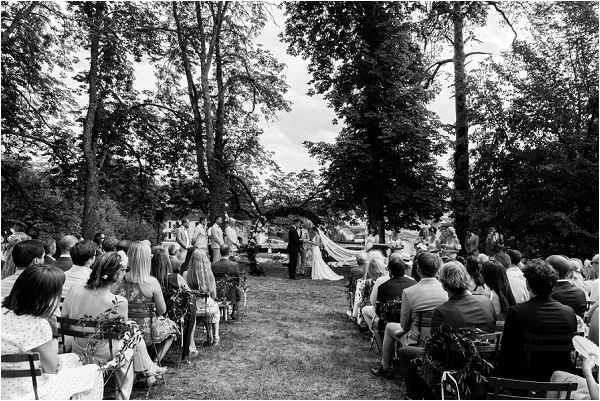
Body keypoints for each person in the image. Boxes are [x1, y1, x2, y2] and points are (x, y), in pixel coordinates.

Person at [63, 253, 166, 398]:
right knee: (132, 338)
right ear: (117, 275)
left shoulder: (74, 290)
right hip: (105, 353)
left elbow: (64, 318)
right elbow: (120, 335)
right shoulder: (118, 302)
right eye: (125, 270)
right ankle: (140, 378)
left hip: (78, 347)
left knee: (132, 330)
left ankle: (150, 367)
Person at [2, 264, 103, 400]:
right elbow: (52, 369)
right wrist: (54, 337)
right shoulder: (37, 325)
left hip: (6, 385)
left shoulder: (3, 308)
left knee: (74, 359)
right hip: (31, 392)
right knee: (94, 372)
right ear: (47, 296)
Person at [395, 261, 496, 396]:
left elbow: (432, 350)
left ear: (443, 284)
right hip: (484, 364)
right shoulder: (486, 301)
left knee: (405, 352)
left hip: (454, 366)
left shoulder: (443, 311)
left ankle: (415, 395)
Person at [371, 252, 447, 378]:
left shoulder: (410, 292)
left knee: (390, 327)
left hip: (419, 340)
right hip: (441, 339)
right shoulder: (445, 290)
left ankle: (385, 367)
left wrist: (401, 332)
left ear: (418, 269)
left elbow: (404, 325)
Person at [499, 259, 577, 381]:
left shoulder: (517, 312)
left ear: (528, 285)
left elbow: (507, 352)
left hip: (525, 382)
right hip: (560, 384)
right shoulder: (568, 313)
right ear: (553, 284)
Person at [113, 241, 176, 363]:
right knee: (173, 329)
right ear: (147, 260)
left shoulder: (118, 281)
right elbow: (162, 310)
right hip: (146, 334)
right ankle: (154, 362)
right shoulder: (152, 283)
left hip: (122, 332)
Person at [369, 254, 416, 349]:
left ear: (390, 271)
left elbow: (378, 309)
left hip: (392, 322)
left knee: (375, 324)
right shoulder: (414, 283)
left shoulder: (383, 286)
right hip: (411, 321)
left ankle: (383, 353)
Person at [183, 249, 220, 345]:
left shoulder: (186, 274)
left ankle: (190, 339)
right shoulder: (209, 274)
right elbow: (214, 294)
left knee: (207, 309)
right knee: (215, 309)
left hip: (193, 306)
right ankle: (215, 336)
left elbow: (185, 293)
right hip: (207, 306)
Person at [212, 245, 242, 319]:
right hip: (231, 292)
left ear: (220, 252)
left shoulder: (214, 265)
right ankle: (234, 311)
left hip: (217, 291)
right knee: (238, 291)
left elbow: (211, 279)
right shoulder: (234, 265)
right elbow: (238, 280)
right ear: (229, 253)